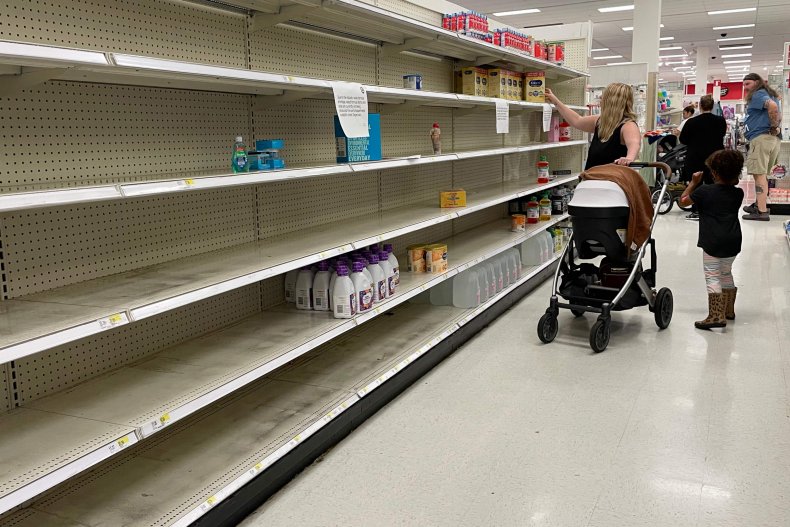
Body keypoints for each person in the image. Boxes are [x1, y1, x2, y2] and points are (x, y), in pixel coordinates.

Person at [679, 150, 744, 330]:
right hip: (733, 240)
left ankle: (716, 315)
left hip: (712, 241)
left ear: (714, 173)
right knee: (726, 273)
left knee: (712, 276)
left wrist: (693, 182)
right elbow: (732, 183)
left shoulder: (704, 191)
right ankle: (728, 310)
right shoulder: (738, 193)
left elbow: (682, 201)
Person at [546, 82, 641, 169]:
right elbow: (576, 120)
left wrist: (629, 158)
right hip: (592, 180)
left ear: (611, 101)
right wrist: (555, 101)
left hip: (612, 182)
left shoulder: (628, 125)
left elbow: (634, 144)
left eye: (603, 96)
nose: (600, 98)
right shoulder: (600, 121)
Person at [679, 95, 727, 220]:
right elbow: (722, 134)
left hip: (695, 157)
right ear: (712, 106)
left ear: (700, 106)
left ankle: (697, 211)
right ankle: (713, 209)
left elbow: (683, 139)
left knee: (696, 183)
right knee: (714, 182)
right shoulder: (720, 121)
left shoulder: (691, 122)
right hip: (715, 157)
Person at [741, 72, 781, 221]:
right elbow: (777, 109)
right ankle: (759, 204)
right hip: (771, 139)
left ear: (757, 82)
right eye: (744, 84)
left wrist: (772, 126)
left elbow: (772, 107)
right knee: (763, 174)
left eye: (748, 84)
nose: (745, 88)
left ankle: (762, 211)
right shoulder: (772, 94)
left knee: (759, 175)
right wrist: (775, 127)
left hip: (761, 138)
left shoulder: (758, 94)